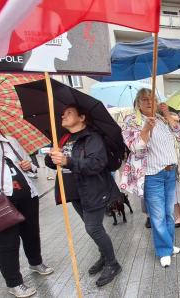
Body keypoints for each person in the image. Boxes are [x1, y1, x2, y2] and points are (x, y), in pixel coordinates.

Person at [0, 72, 53, 298]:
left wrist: (29, 167)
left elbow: (33, 169)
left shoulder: (9, 140)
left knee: (31, 233)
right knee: (8, 242)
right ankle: (14, 282)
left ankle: (36, 263)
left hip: (26, 194)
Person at [45, 104, 121, 286]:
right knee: (92, 227)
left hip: (94, 190)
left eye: (69, 113)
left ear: (81, 117)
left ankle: (113, 263)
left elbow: (96, 164)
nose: (63, 115)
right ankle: (104, 256)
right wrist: (51, 156)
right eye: (63, 113)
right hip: (74, 191)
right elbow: (51, 163)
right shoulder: (62, 138)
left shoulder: (92, 137)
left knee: (93, 228)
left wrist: (67, 161)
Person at [120, 88, 180, 267]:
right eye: (144, 100)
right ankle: (163, 250)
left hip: (170, 172)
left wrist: (167, 114)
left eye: (152, 99)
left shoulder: (164, 118)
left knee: (169, 213)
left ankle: (169, 245)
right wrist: (146, 129)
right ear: (138, 103)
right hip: (151, 175)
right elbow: (136, 148)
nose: (149, 102)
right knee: (157, 215)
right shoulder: (131, 121)